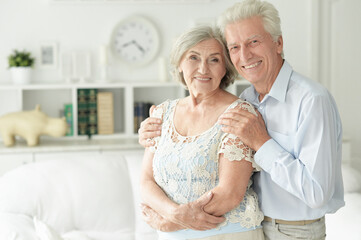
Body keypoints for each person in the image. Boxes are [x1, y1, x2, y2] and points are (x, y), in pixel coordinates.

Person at [139, 0, 344, 239]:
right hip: (254, 222)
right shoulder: (249, 98)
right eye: (234, 47)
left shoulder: (311, 100)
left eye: (254, 42)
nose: (245, 55)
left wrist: (261, 142)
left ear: (278, 43)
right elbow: (148, 178)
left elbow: (317, 193)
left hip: (292, 230)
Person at [140, 25, 265, 240]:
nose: (203, 69)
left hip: (227, 234)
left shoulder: (238, 113)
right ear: (179, 63)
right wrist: (174, 214)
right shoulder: (161, 113)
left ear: (225, 68)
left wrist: (172, 223)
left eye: (214, 60)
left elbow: (230, 193)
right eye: (193, 58)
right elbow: (145, 180)